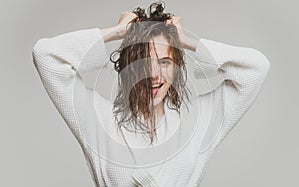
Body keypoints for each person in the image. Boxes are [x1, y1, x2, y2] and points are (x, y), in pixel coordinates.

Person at [32, 2, 271, 187]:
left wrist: (186, 41)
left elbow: (256, 68)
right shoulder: (99, 121)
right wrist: (117, 32)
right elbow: (46, 55)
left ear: (176, 66)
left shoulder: (200, 120)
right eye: (144, 63)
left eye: (165, 62)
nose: (155, 74)